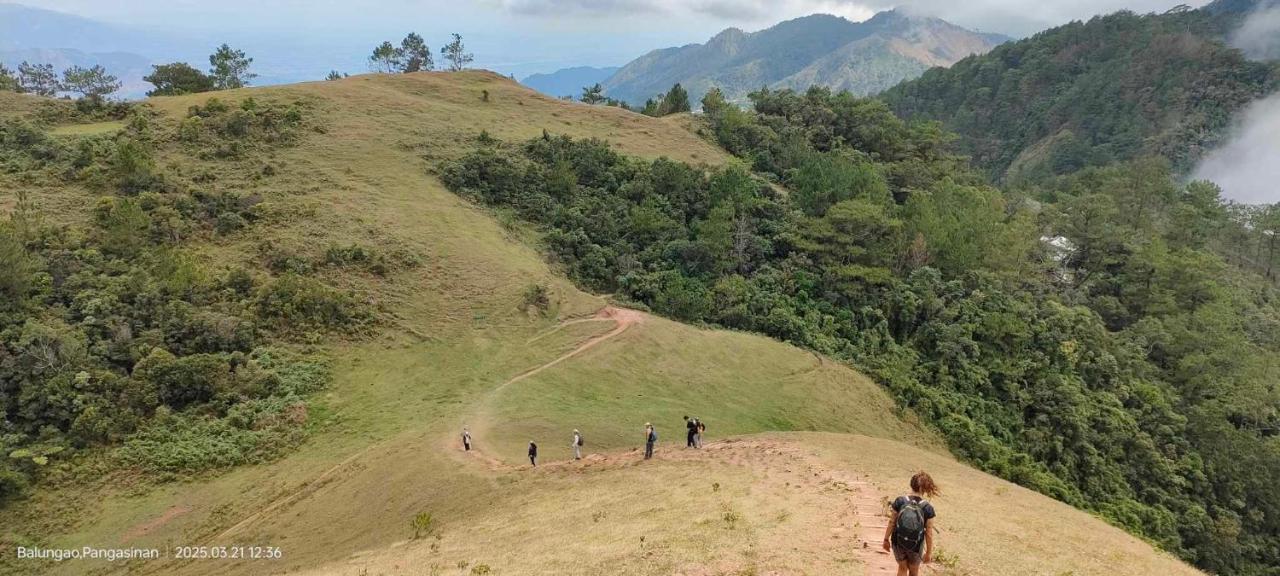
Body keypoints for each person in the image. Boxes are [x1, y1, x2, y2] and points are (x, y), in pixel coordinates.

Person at [882, 471, 939, 576]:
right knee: (914, 571)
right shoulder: (928, 508)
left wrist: (886, 539)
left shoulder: (900, 501)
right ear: (925, 488)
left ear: (911, 484)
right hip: (916, 546)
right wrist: (928, 553)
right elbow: (929, 533)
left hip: (898, 541)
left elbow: (892, 522)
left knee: (902, 568)